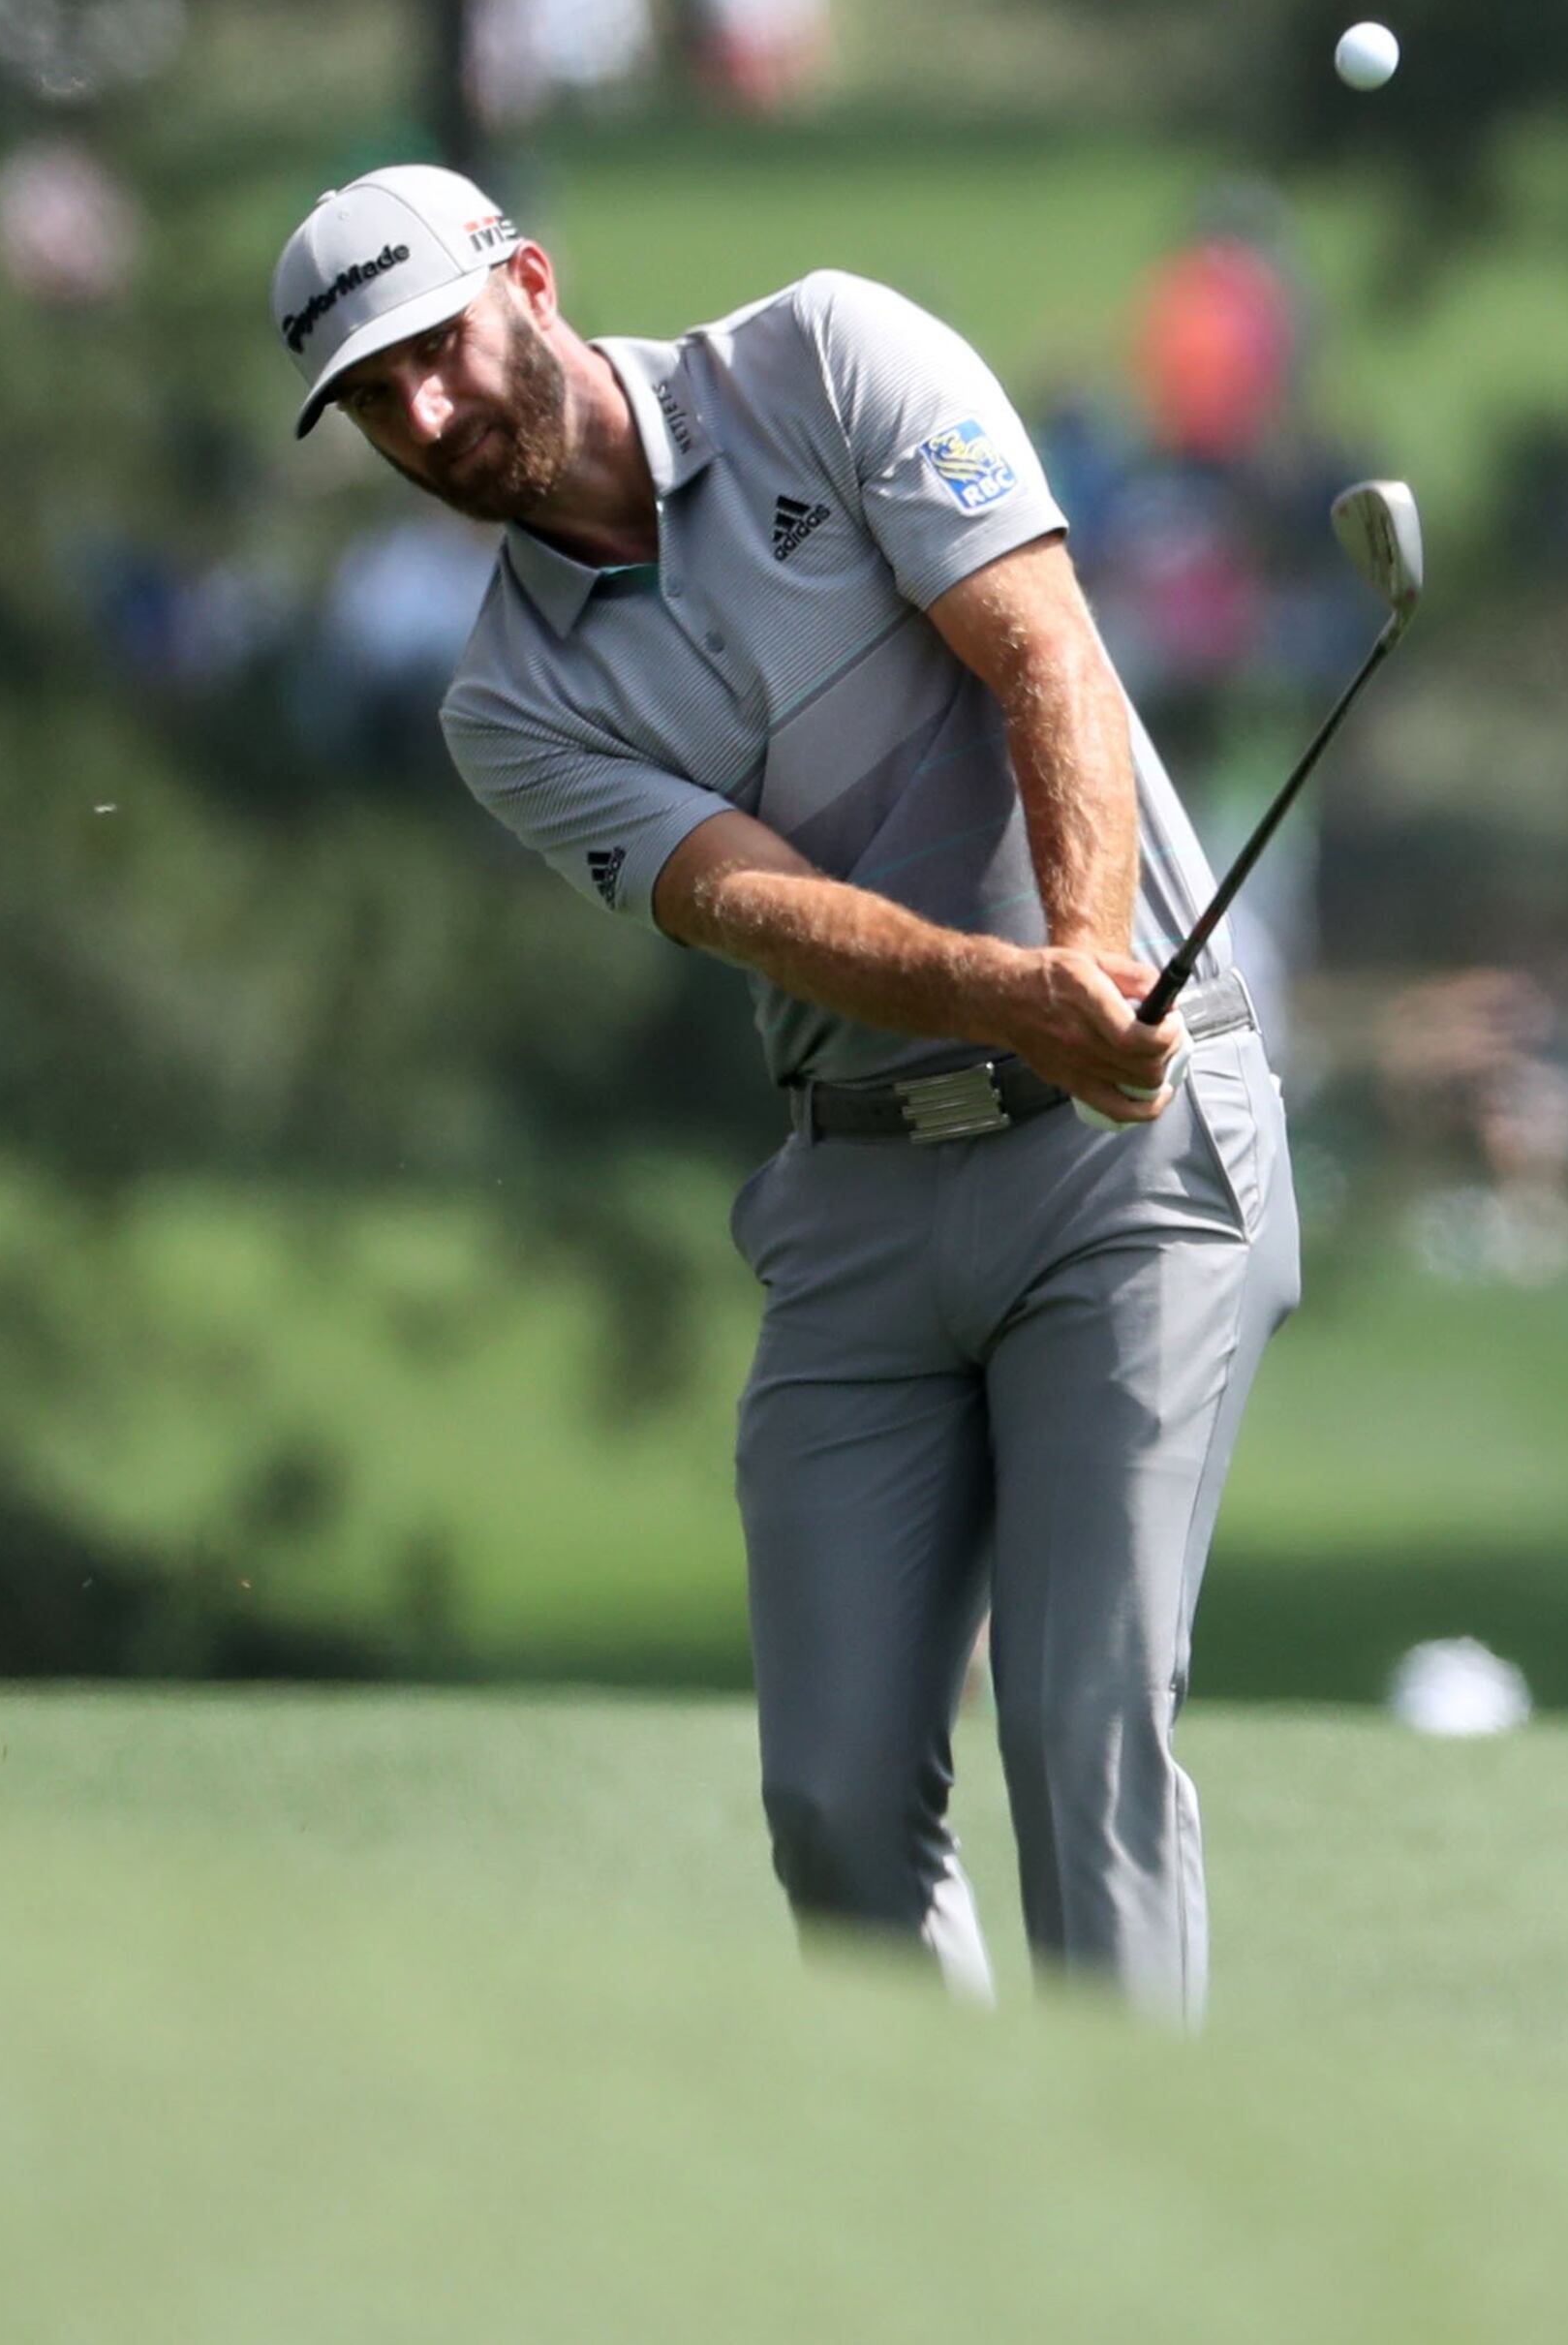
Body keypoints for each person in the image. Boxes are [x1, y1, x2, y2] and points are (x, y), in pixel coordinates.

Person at [266, 164, 1298, 2023]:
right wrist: (1025, 995)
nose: (422, 417)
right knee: (832, 1802)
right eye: (371, 401)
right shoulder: (504, 702)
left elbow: (1043, 647)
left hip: (1125, 1159)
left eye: (431, 351)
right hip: (861, 1198)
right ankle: (953, 2230)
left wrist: (1083, 973)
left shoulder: (825, 358)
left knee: (1083, 1729)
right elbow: (755, 903)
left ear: (532, 282)